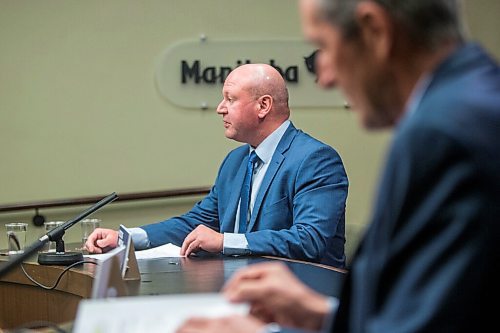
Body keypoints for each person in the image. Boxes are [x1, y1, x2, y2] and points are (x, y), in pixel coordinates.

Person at [176, 0, 500, 332]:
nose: (325, 78)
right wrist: (324, 317)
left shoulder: (443, 134)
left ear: (375, 30)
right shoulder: (471, 104)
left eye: (324, 47)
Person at [85, 63, 349, 268]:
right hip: (243, 290)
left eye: (230, 99)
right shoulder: (235, 161)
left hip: (306, 298)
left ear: (263, 106)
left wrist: (224, 241)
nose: (220, 108)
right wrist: (126, 238)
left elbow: (309, 240)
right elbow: (197, 223)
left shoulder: (315, 160)